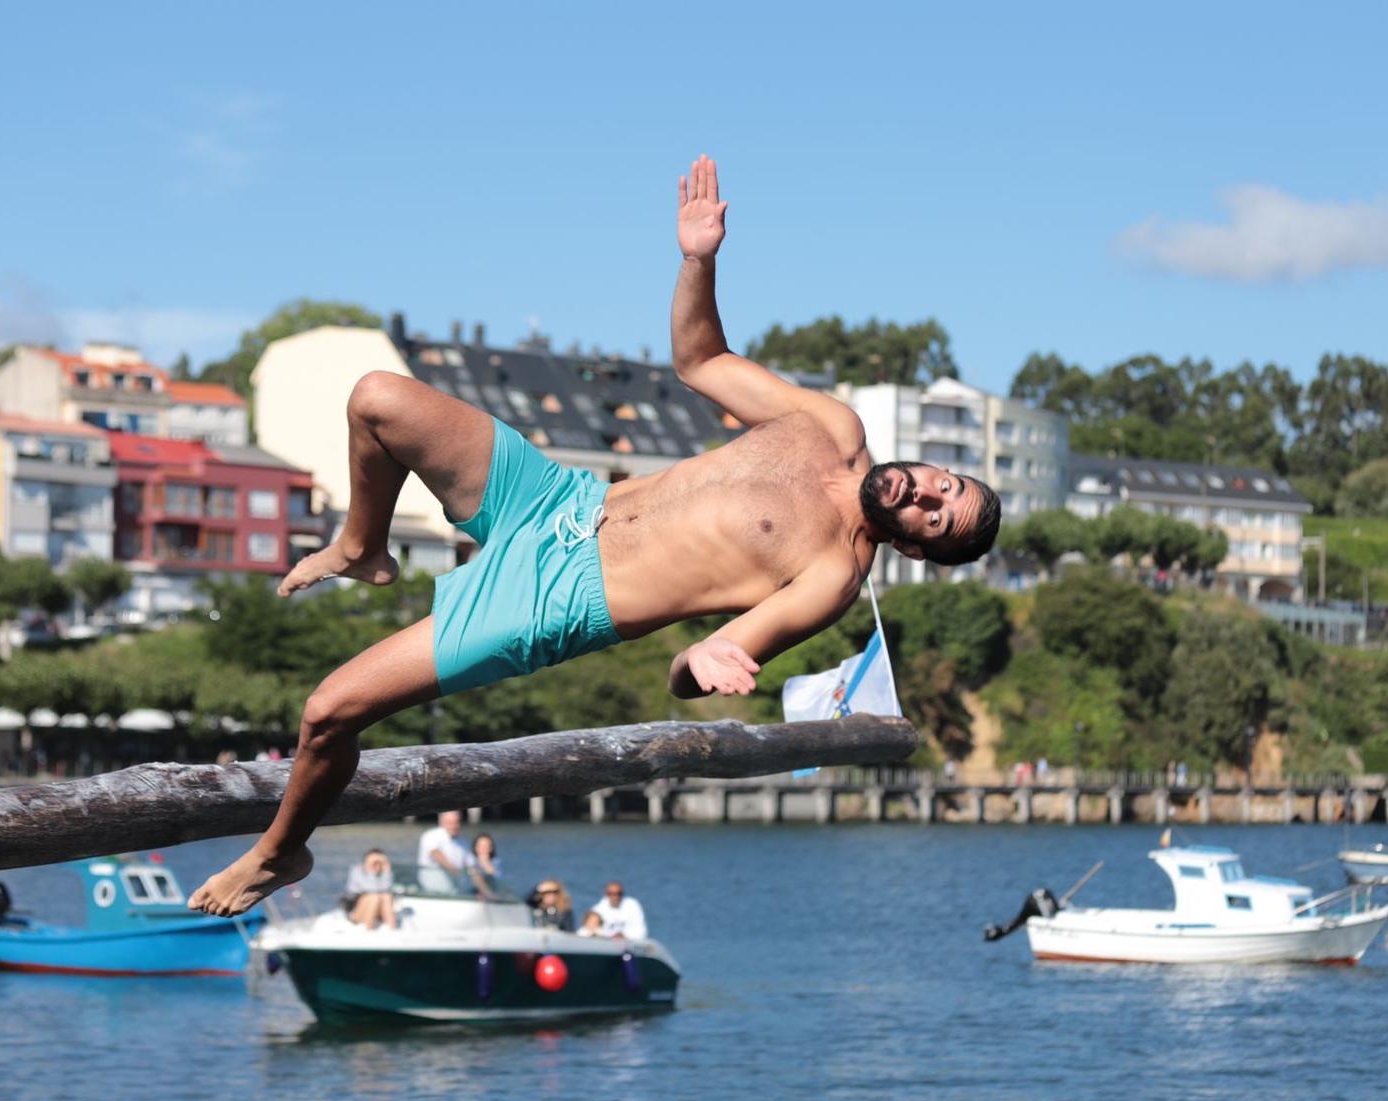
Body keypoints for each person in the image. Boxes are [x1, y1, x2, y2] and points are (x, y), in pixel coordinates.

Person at [187, 155, 1002, 916]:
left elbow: (685, 675)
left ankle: (279, 851)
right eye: (945, 484)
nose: (928, 494)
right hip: (557, 500)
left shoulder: (830, 575)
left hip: (556, 598)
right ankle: (362, 547)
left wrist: (705, 658)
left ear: (916, 548)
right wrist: (699, 260)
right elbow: (701, 357)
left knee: (329, 711)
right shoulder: (833, 422)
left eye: (938, 517)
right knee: (377, 398)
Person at [415, 811, 475, 893]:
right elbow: (435, 853)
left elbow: (472, 867)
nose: (454, 826)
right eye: (450, 822)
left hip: (456, 889)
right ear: (441, 822)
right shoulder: (431, 835)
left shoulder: (464, 842)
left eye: (456, 822)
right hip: (432, 888)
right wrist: (454, 870)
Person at [344, 849, 397, 930]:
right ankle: (369, 929)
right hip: (358, 909)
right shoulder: (358, 870)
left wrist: (386, 871)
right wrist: (371, 871)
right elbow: (368, 889)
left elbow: (386, 888)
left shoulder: (385, 871)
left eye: (380, 861)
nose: (377, 864)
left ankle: (392, 928)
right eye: (374, 861)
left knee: (386, 896)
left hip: (379, 908)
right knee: (374, 897)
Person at [466, 832, 502, 897]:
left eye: (486, 846)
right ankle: (488, 894)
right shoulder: (470, 858)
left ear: (491, 848)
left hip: (492, 887)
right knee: (475, 875)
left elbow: (495, 875)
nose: (483, 848)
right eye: (480, 846)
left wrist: (484, 861)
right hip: (472, 889)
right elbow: (471, 871)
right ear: (475, 847)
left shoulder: (495, 861)